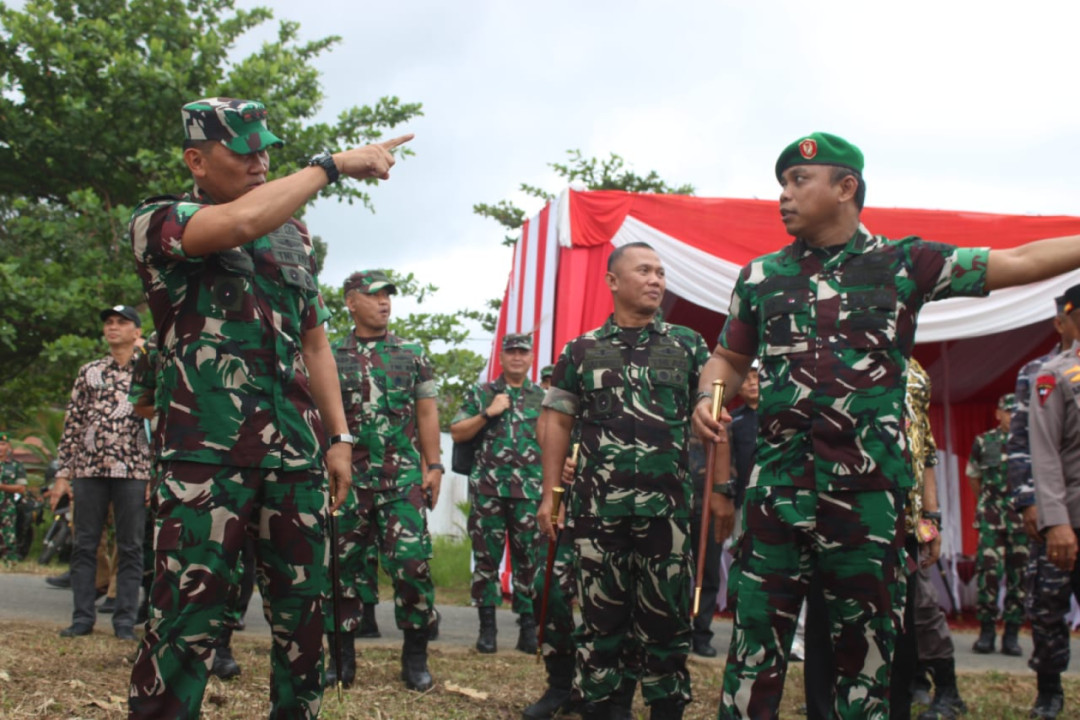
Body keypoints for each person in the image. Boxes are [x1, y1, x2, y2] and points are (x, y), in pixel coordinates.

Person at [694, 131, 1080, 720]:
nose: (784, 196)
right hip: (777, 494)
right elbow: (727, 358)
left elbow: (1021, 262)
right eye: (782, 184)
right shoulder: (761, 277)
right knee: (753, 651)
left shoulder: (906, 264)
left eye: (799, 181)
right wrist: (711, 397)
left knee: (866, 658)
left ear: (846, 188)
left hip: (868, 499)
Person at [127, 96, 410, 719]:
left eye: (266, 150)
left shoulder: (292, 232)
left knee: (304, 619)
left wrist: (338, 437)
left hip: (296, 454)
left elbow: (314, 342)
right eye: (243, 150)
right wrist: (329, 166)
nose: (260, 162)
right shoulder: (159, 221)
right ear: (196, 161)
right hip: (206, 459)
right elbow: (235, 225)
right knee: (187, 619)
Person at [539, 241, 716, 720]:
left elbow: (715, 399)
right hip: (598, 512)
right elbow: (556, 421)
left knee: (667, 624)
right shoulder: (581, 350)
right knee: (600, 624)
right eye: (644, 270)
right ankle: (605, 707)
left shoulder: (689, 345)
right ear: (613, 282)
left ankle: (665, 710)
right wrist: (550, 495)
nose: (657, 279)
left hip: (667, 514)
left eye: (661, 272)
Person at [327, 269, 442, 692]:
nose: (384, 302)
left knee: (412, 566)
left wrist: (435, 466)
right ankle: (341, 660)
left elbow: (426, 412)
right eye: (373, 295)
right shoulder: (329, 353)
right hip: (345, 482)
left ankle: (415, 658)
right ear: (350, 301)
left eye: (387, 296)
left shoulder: (411, 353)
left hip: (402, 481)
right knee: (340, 571)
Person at [51, 305, 150, 641]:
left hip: (135, 470)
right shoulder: (89, 371)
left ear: (137, 332)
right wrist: (63, 474)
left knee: (131, 547)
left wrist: (157, 474)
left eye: (122, 322)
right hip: (89, 468)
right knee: (84, 545)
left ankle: (124, 621)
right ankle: (82, 618)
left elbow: (162, 422)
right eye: (109, 322)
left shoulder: (150, 370)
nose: (113, 327)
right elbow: (73, 423)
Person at [451, 332, 545, 655]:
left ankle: (528, 627)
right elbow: (457, 431)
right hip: (488, 490)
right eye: (511, 352)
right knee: (486, 559)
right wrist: (488, 412)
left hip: (529, 491)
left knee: (529, 560)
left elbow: (555, 438)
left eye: (523, 352)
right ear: (502, 358)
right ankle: (487, 627)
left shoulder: (542, 398)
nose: (517, 357)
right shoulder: (483, 393)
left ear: (531, 357)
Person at [1018, 284, 1080, 719]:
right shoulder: (1049, 373)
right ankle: (1049, 690)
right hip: (1066, 513)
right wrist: (1043, 512)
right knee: (1047, 606)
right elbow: (1034, 449)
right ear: (1065, 321)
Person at [968, 392, 1028, 656]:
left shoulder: (1028, 443)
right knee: (989, 575)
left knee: (1020, 577)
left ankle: (1012, 633)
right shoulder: (984, 441)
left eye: (1016, 412)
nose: (1012, 416)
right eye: (1008, 411)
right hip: (992, 519)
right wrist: (987, 504)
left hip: (1023, 522)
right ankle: (987, 631)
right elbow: (974, 477)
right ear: (998, 413)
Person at [0, 431, 28, 562]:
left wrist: (2, 487)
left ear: (8, 447)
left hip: (7, 506)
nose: (0, 447)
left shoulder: (16, 465)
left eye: (3, 444)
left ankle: (9, 560)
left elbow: (21, 488)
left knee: (8, 536)